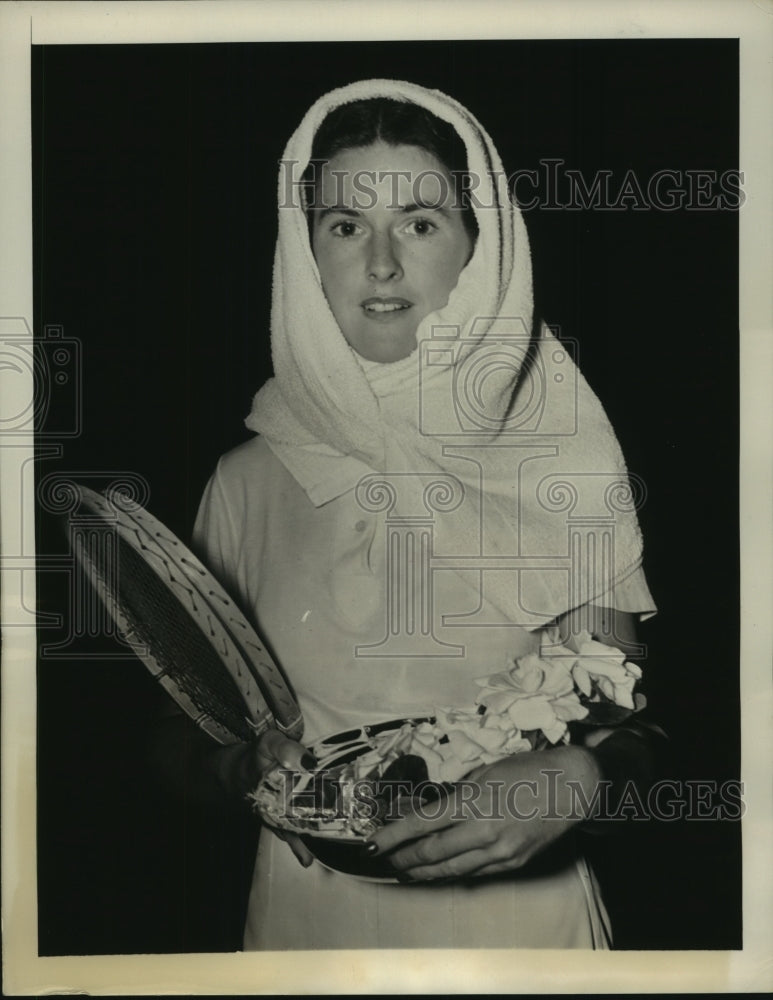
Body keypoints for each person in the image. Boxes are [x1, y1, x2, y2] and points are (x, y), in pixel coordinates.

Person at [188, 79, 660, 949]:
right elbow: (173, 740)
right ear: (303, 253)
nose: (380, 265)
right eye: (343, 226)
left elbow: (636, 717)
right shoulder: (244, 479)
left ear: (478, 248)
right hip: (304, 928)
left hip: (522, 935)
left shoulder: (565, 450)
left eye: (419, 221)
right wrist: (235, 768)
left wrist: (583, 774)